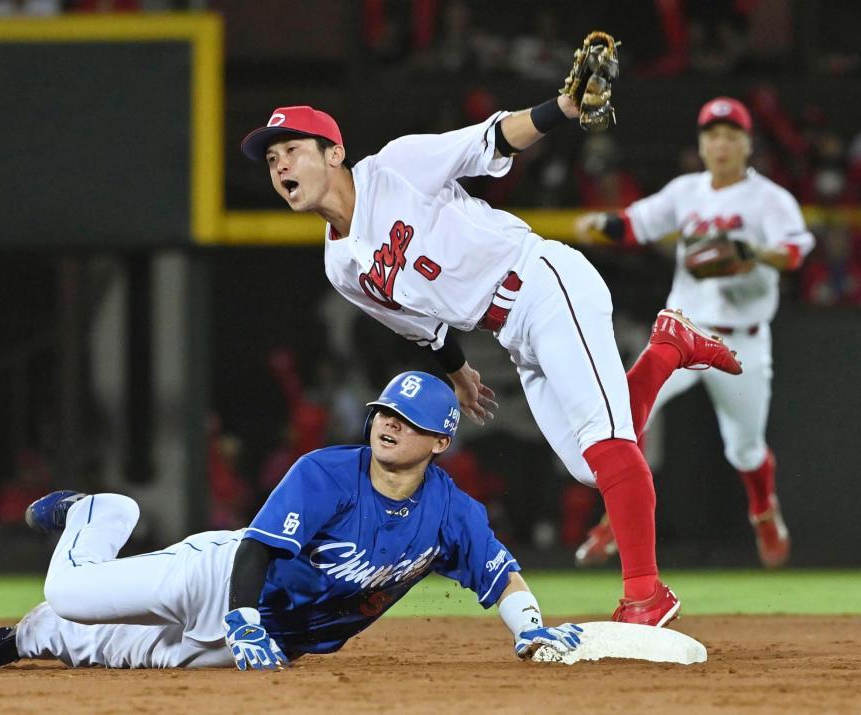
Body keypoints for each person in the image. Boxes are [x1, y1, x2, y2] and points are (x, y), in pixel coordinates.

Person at [239, 89, 742, 624]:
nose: (281, 165)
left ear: (333, 153)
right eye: (272, 159)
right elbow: (422, 328)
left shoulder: (394, 168)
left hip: (544, 283)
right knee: (594, 466)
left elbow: (491, 139)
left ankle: (645, 594)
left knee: (610, 444)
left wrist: (562, 109)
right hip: (511, 332)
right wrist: (459, 373)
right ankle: (668, 347)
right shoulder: (339, 267)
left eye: (292, 149)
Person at [0, 371, 584, 670]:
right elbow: (258, 551)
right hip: (222, 576)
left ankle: (29, 638)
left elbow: (502, 575)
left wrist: (530, 628)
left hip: (284, 638)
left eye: (409, 421)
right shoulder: (328, 473)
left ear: (441, 443)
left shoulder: (452, 512)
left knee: (130, 653)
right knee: (69, 590)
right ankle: (99, 515)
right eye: (385, 413)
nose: (390, 425)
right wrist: (241, 620)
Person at [574, 97, 816, 569]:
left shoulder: (770, 199)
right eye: (712, 135)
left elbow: (794, 254)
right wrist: (600, 224)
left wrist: (755, 253)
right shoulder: (686, 191)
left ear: (748, 144)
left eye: (730, 135)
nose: (721, 144)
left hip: (741, 339)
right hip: (681, 333)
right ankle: (613, 519)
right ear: (702, 145)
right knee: (626, 412)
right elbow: (635, 225)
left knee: (745, 448)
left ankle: (763, 510)